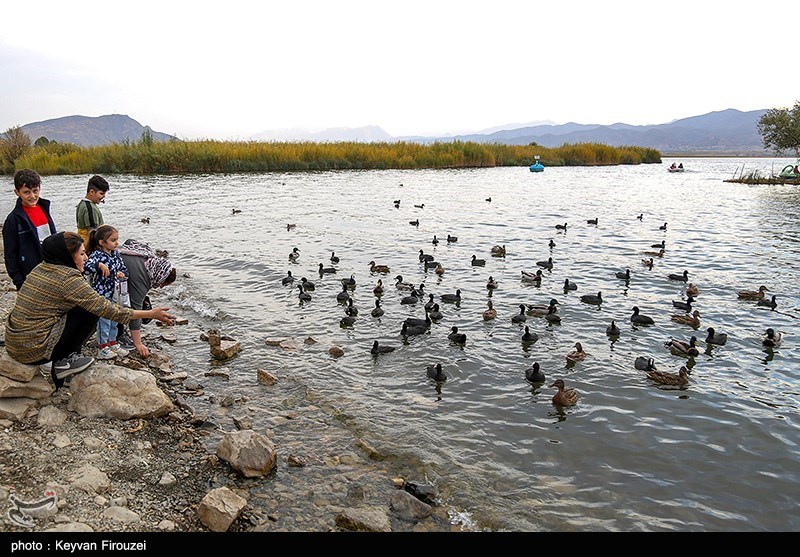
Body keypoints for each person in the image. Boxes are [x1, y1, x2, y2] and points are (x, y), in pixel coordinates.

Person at [3, 232, 175, 389]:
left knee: (83, 306)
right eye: (82, 253)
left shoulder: (42, 267)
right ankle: (64, 361)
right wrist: (151, 314)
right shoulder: (68, 279)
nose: (87, 258)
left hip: (15, 340)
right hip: (31, 349)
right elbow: (107, 309)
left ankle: (64, 361)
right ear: (69, 256)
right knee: (91, 311)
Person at [116, 239, 177, 357]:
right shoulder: (141, 279)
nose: (160, 287)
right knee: (127, 306)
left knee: (142, 302)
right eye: (162, 284)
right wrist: (138, 343)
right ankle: (118, 335)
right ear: (160, 275)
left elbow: (129, 241)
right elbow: (134, 311)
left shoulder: (146, 257)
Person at [2, 169, 57, 290]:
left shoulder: (44, 209)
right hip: (30, 276)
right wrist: (18, 281)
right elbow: (10, 254)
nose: (32, 196)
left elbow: (53, 239)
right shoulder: (13, 220)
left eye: (35, 191)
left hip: (51, 270)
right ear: (17, 192)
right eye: (26, 192)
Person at [84, 225, 129, 360]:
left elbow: (124, 269)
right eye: (113, 240)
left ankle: (113, 342)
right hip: (102, 293)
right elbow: (86, 268)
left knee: (114, 318)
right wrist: (99, 265)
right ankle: (103, 347)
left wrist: (122, 273)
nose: (117, 243)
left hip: (115, 292)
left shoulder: (116, 254)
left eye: (117, 239)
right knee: (104, 321)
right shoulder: (97, 255)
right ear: (102, 242)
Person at [75, 175, 109, 247]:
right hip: (88, 246)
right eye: (101, 193)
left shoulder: (82, 204)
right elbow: (92, 232)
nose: (104, 196)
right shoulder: (90, 208)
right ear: (92, 192)